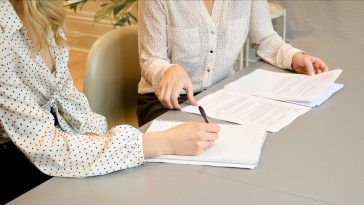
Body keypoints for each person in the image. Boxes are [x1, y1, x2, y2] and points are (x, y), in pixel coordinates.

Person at [0, 0, 219, 203]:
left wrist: (99, 139)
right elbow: (46, 147)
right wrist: (162, 143)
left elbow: (67, 99)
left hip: (51, 142)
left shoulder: (44, 11)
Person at [137, 0, 329, 126]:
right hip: (166, 102)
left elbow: (264, 38)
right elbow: (151, 60)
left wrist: (294, 58)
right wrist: (168, 70)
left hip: (221, 95)